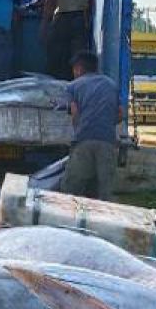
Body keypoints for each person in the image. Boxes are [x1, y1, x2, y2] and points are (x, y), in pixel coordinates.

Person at [60, 51, 123, 201]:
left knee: (70, 190)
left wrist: (79, 132)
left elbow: (75, 112)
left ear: (79, 69)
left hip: (84, 139)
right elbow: (120, 114)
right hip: (108, 141)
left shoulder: (73, 86)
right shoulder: (111, 84)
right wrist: (105, 123)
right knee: (105, 191)